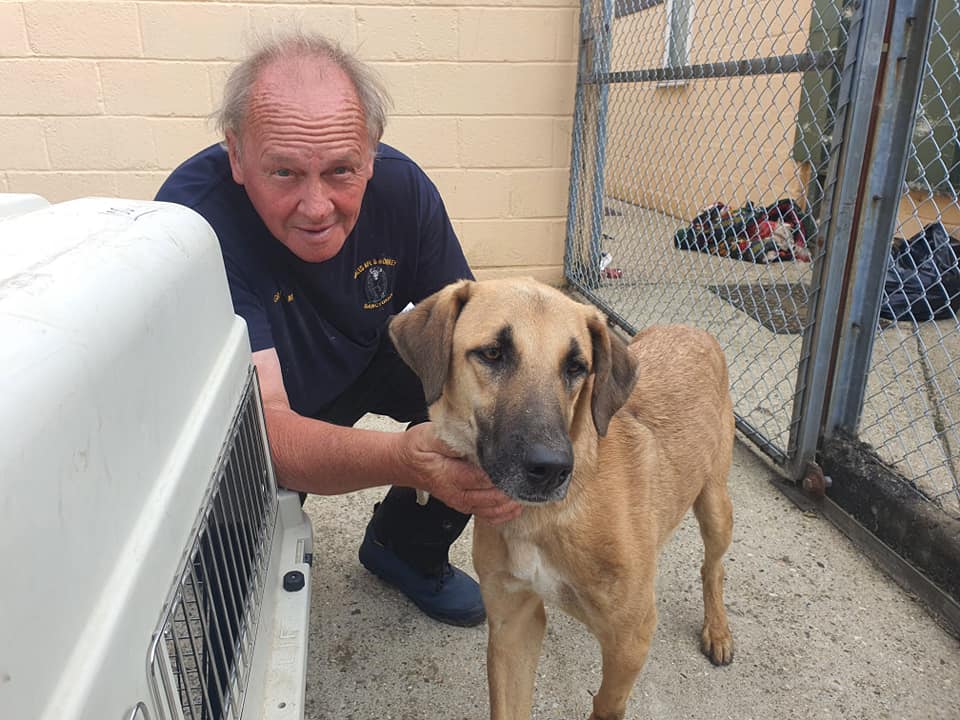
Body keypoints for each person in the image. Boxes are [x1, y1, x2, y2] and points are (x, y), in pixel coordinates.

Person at [155, 32, 522, 638]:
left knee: (486, 401)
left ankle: (403, 548)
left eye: (340, 171)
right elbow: (265, 429)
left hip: (358, 352)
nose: (317, 205)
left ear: (371, 154)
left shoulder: (403, 191)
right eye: (284, 172)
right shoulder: (196, 223)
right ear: (237, 155)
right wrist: (407, 461)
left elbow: (476, 338)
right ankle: (236, 595)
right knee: (243, 551)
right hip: (252, 405)